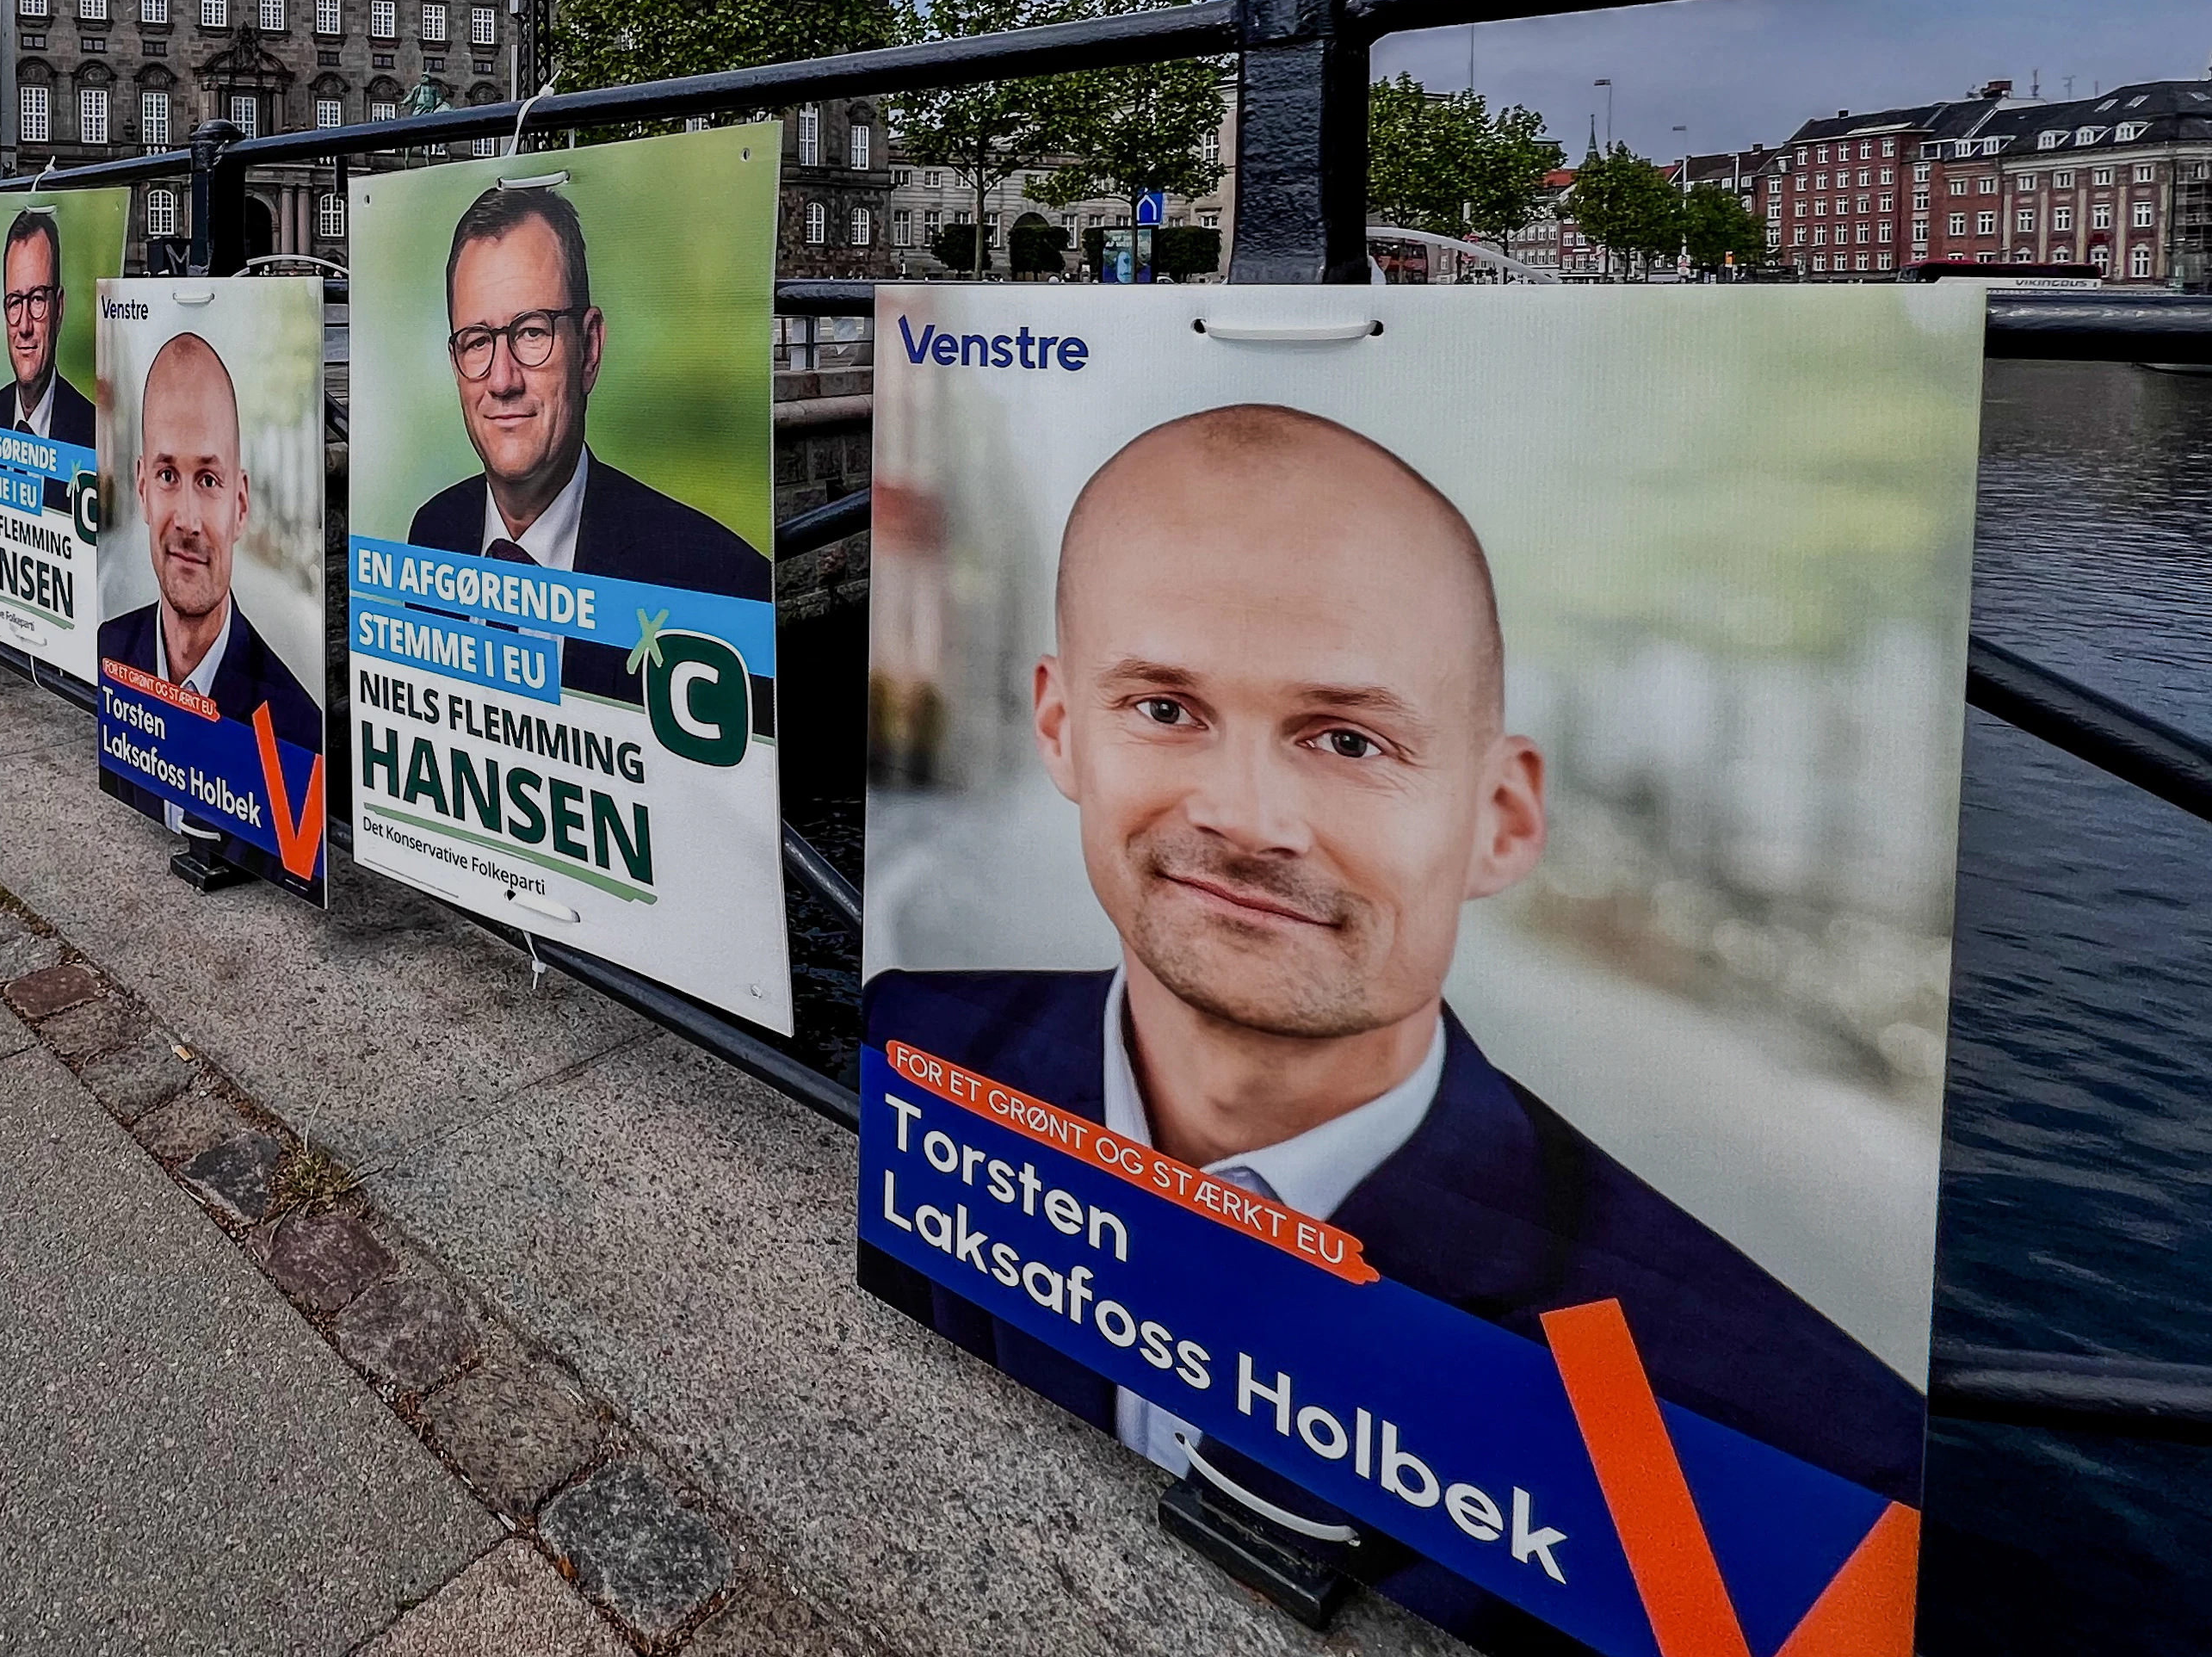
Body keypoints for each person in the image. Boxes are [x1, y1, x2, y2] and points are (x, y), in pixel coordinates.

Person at [860, 404, 1919, 1648]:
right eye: (1164, 709)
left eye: (1347, 738)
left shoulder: (1818, 1455)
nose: (1246, 816)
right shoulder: (904, 1052)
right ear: (1060, 728)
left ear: (1502, 818)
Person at [405, 184, 769, 599]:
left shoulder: (714, 578)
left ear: (589, 349)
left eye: (531, 331)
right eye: (477, 341)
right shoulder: (433, 531)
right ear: (456, 363)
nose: (503, 380)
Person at [96, 331, 319, 763]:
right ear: (142, 490)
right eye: (167, 476)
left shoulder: (296, 731)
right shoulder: (107, 656)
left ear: (240, 506)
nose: (187, 520)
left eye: (208, 480)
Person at [0, 207, 99, 448]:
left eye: (37, 299)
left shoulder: (91, 427)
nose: (24, 326)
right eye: (15, 302)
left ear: (59, 308)